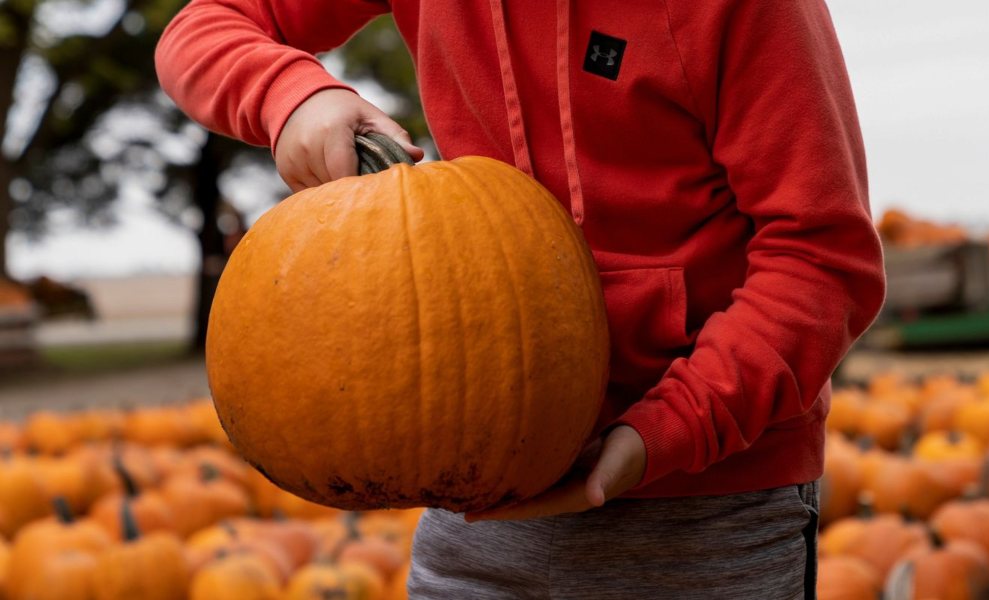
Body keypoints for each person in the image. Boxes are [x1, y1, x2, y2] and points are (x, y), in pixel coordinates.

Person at [156, 1, 885, 597]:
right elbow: (203, 25)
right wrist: (295, 94)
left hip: (707, 494)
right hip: (483, 485)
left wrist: (659, 435)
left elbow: (821, 261)